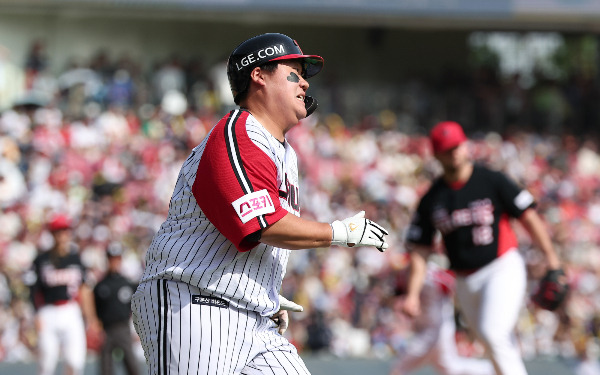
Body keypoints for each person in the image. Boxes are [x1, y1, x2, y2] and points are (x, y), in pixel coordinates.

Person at [131, 32, 389, 375]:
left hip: (250, 316)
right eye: (294, 74)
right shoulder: (240, 131)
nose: (305, 85)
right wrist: (339, 232)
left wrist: (259, 290)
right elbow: (262, 223)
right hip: (193, 302)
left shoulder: (284, 152)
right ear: (259, 75)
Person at [402, 121, 563, 375]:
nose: (454, 152)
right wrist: (412, 294)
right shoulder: (433, 198)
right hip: (464, 282)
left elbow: (529, 217)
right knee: (494, 344)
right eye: (447, 149)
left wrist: (552, 261)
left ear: (466, 146)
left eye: (457, 146)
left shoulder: (491, 180)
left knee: (492, 333)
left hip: (501, 267)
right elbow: (421, 249)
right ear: (436, 154)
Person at [390, 257, 495, 375]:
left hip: (438, 329)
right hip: (429, 329)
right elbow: (397, 294)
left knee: (400, 368)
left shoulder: (432, 274)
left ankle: (493, 369)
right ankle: (492, 369)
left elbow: (455, 289)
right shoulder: (406, 275)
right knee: (451, 369)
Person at [26, 213, 100, 375]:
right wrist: (36, 314)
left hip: (70, 310)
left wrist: (92, 318)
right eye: (59, 231)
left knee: (75, 361)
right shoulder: (41, 259)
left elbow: (85, 289)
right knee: (47, 361)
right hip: (48, 311)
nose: (63, 234)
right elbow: (32, 290)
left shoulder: (75, 258)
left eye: (65, 230)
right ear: (52, 233)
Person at [93, 242, 140, 375]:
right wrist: (97, 327)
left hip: (123, 327)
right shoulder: (101, 285)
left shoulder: (127, 284)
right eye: (111, 258)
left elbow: (135, 308)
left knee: (132, 365)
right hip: (106, 329)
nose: (114, 262)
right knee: (106, 367)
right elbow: (96, 309)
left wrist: (136, 328)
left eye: (117, 258)